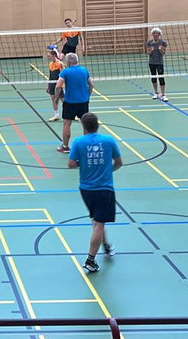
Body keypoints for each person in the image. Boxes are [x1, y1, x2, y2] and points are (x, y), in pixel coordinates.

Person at [67, 113, 122, 273]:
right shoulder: (108, 140)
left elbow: (71, 164)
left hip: (86, 190)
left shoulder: (78, 142)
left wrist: (84, 163)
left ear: (83, 126)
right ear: (97, 125)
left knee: (97, 219)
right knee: (98, 223)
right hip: (104, 188)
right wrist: (108, 169)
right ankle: (90, 260)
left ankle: (106, 246)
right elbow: (119, 163)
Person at [55, 53, 93, 153]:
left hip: (70, 102)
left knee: (67, 124)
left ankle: (65, 147)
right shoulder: (84, 70)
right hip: (83, 102)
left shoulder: (65, 71)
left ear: (68, 62)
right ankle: (86, 146)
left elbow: (58, 86)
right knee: (85, 123)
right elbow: (91, 85)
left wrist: (56, 98)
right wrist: (88, 96)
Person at [146, 28, 168, 102]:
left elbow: (163, 53)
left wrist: (160, 50)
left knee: (161, 78)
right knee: (153, 78)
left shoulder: (162, 42)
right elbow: (148, 52)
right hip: (152, 63)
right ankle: (156, 93)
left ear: (159, 34)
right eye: (154, 33)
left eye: (156, 33)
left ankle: (163, 95)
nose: (155, 34)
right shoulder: (149, 43)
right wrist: (151, 51)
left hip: (159, 62)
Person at [45, 48, 65, 122]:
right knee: (53, 99)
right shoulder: (50, 64)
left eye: (49, 56)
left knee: (63, 100)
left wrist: (62, 83)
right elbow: (50, 75)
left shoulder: (60, 63)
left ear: (54, 55)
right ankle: (56, 115)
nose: (48, 57)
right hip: (52, 84)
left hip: (58, 84)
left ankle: (71, 114)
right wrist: (48, 85)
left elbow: (64, 74)